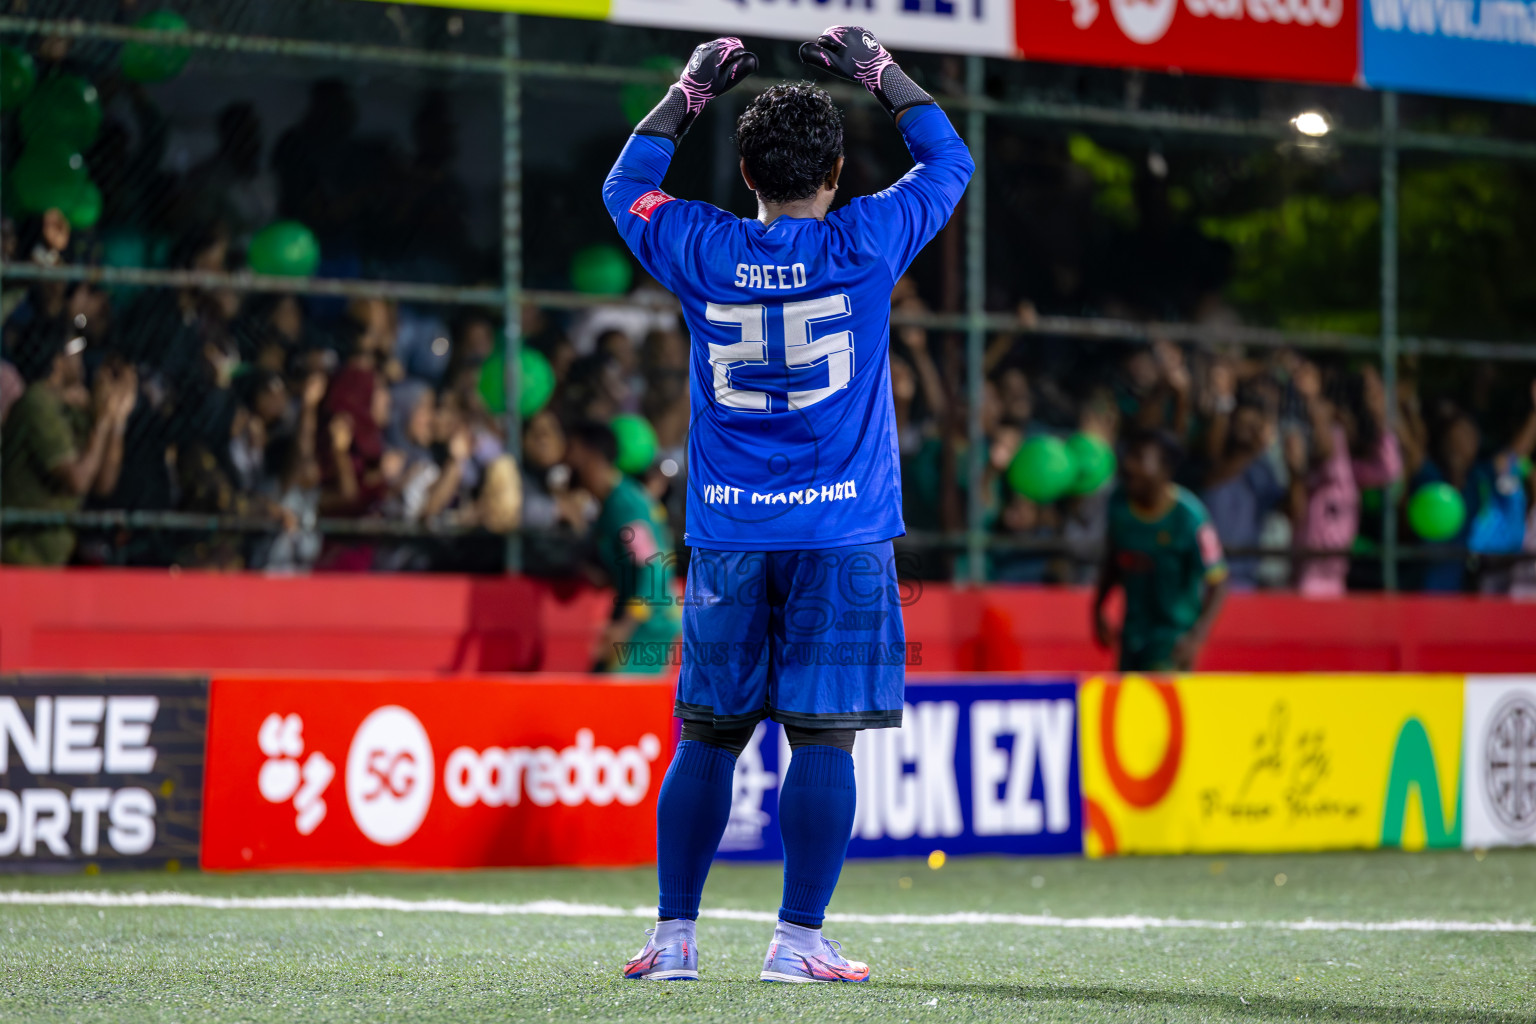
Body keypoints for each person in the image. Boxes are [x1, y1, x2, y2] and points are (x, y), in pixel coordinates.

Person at [603, 31, 972, 983]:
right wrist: (880, 71)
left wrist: (687, 91)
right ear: (838, 173)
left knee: (706, 736)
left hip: (730, 531)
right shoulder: (868, 239)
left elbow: (624, 186)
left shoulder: (703, 245)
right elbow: (950, 160)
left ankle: (674, 940)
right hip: (843, 533)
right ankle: (798, 941)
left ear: (744, 172)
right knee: (822, 738)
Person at [1, 320, 136, 565]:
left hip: (50, 560)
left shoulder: (73, 408)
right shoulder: (38, 402)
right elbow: (78, 480)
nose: (81, 357)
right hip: (18, 555)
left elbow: (103, 484)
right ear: (57, 360)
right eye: (75, 348)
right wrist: (101, 422)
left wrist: (116, 419)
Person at [1094, 431, 1228, 671]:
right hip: (1132, 635)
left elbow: (1218, 581)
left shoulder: (1190, 517)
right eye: (1129, 456)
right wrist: (1098, 607)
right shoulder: (1119, 505)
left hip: (1172, 639)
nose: (1129, 465)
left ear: (1165, 470)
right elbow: (1113, 560)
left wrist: (1196, 636)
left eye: (1139, 458)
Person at [564, 420, 681, 675]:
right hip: (635, 620)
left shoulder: (625, 506)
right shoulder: (610, 505)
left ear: (592, 457)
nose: (565, 461)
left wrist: (624, 627)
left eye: (572, 451)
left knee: (611, 694)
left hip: (647, 625)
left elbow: (652, 566)